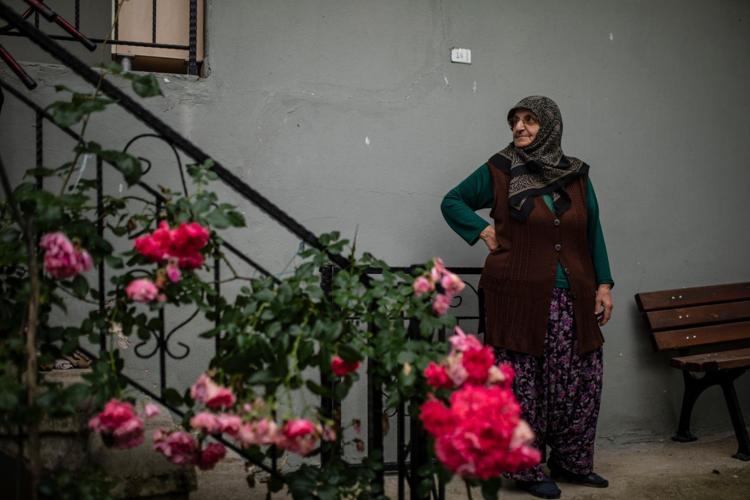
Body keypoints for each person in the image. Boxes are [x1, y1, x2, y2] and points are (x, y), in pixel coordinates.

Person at [440, 96, 614, 499]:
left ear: (550, 126)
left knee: (579, 382)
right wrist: (482, 231)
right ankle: (527, 469)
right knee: (523, 386)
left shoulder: (576, 175)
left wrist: (603, 284)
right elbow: (452, 201)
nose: (519, 127)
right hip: (517, 297)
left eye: (530, 120)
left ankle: (572, 462)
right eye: (515, 120)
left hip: (573, 298)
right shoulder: (500, 169)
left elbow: (593, 230)